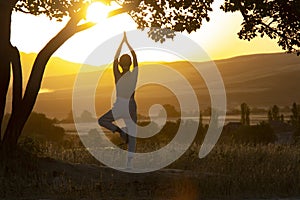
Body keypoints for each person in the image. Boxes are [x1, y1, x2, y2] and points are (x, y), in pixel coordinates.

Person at [98, 32, 138, 168]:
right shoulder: (134, 75)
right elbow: (135, 58)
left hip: (120, 104)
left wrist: (122, 43)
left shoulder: (117, 74)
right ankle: (129, 164)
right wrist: (128, 44)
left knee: (102, 120)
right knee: (132, 134)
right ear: (131, 63)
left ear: (120, 64)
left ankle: (120, 131)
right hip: (131, 105)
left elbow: (115, 58)